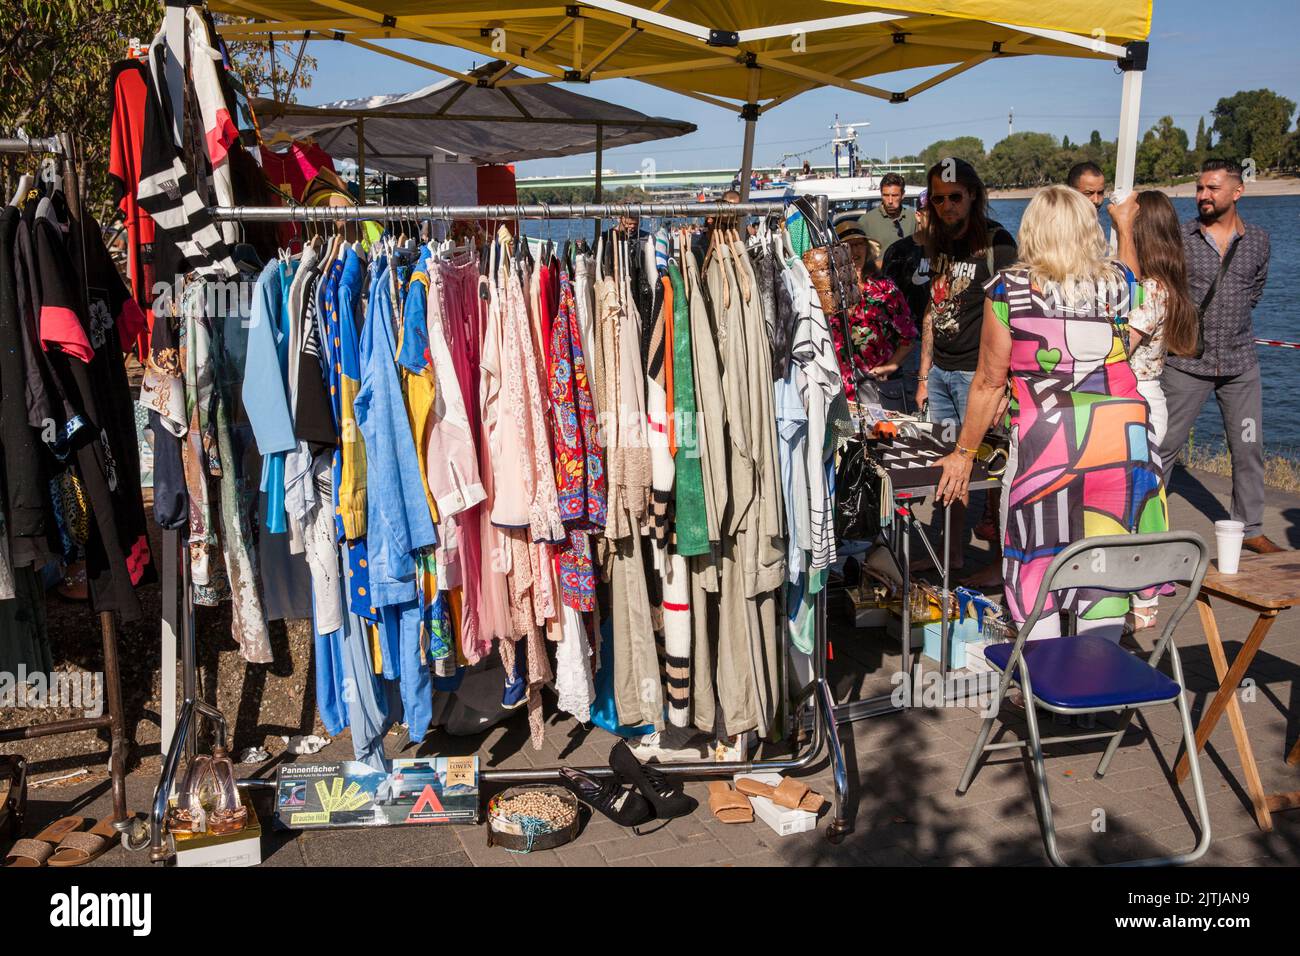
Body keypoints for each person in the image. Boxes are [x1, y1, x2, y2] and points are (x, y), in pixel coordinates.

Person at [933, 186, 1165, 642]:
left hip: (1048, 447)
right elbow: (1131, 274)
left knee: (1034, 561)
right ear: (1087, 230)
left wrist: (964, 452)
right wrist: (1125, 226)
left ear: (1032, 232)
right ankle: (1096, 687)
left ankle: (1044, 689)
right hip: (1123, 444)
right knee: (1105, 562)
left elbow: (988, 382)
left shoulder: (1009, 290)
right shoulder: (1118, 284)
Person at [1158, 158, 1281, 553]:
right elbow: (1163, 291)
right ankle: (1140, 523)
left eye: (1212, 188)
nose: (1203, 196)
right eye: (1199, 188)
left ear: (1237, 192)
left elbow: (1254, 292)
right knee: (1164, 446)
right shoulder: (1180, 236)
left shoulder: (1258, 240)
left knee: (1248, 448)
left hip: (1240, 364)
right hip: (1186, 364)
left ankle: (1251, 528)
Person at [916, 158, 1017, 572]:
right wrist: (924, 374)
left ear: (973, 195)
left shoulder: (998, 244)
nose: (947, 206)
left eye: (955, 197)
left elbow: (1016, 317)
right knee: (948, 465)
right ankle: (951, 551)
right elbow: (933, 309)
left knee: (992, 470)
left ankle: (1000, 562)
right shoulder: (939, 242)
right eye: (939, 199)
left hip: (979, 377)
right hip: (941, 371)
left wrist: (1005, 384)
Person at [1109, 188, 1201, 630]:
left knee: (1135, 504)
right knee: (1127, 502)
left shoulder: (1150, 290)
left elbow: (1119, 347)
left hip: (1139, 400)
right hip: (1140, 397)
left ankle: (1144, 601)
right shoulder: (1162, 284)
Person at [831, 222, 917, 410]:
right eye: (848, 245)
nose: (854, 250)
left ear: (868, 249)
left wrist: (891, 366)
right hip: (838, 389)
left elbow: (908, 336)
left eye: (859, 244)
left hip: (878, 386)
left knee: (883, 437)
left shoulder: (885, 288)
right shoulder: (828, 291)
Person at [858, 172, 916, 268]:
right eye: (885, 195)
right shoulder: (865, 222)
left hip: (908, 279)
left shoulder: (913, 218)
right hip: (878, 280)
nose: (890, 201)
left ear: (903, 195)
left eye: (894, 195)